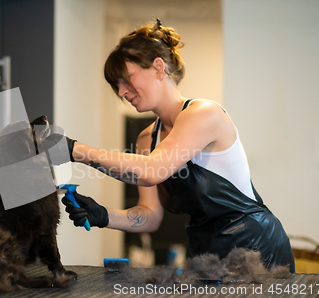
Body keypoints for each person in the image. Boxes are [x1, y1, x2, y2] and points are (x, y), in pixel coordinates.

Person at [61, 19, 295, 272]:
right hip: (206, 252)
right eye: (115, 85)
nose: (121, 92)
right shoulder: (146, 139)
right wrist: (104, 216)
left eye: (126, 79)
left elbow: (151, 171)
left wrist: (73, 149)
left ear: (158, 68)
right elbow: (150, 215)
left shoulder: (204, 114)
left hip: (256, 248)